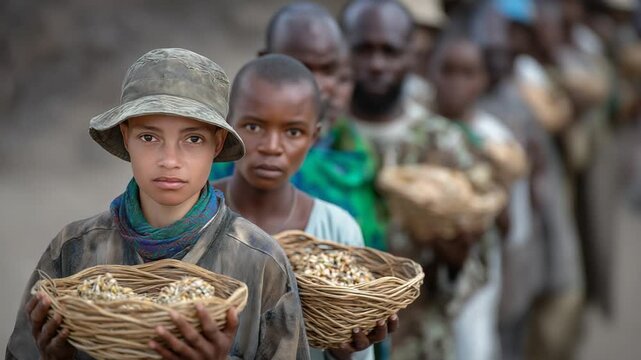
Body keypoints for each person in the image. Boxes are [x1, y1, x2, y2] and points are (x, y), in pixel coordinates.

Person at [5, 48, 310, 360]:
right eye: (149, 138)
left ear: (217, 144)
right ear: (126, 137)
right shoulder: (75, 251)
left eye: (193, 140)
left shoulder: (261, 262)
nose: (169, 161)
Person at [340, 1, 499, 359]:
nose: (377, 63)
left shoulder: (446, 144)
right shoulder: (318, 141)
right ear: (342, 53)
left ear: (412, 57)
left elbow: (482, 267)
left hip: (418, 345)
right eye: (363, 49)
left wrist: (457, 260)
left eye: (390, 51)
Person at [214, 54, 396, 360]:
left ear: (315, 136)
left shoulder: (336, 229)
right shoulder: (196, 216)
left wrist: (342, 351)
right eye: (254, 126)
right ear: (228, 126)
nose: (272, 146)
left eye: (293, 132)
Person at [212, 2, 387, 252]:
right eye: (253, 126)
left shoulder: (356, 164)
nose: (272, 147)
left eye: (327, 69)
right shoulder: (195, 205)